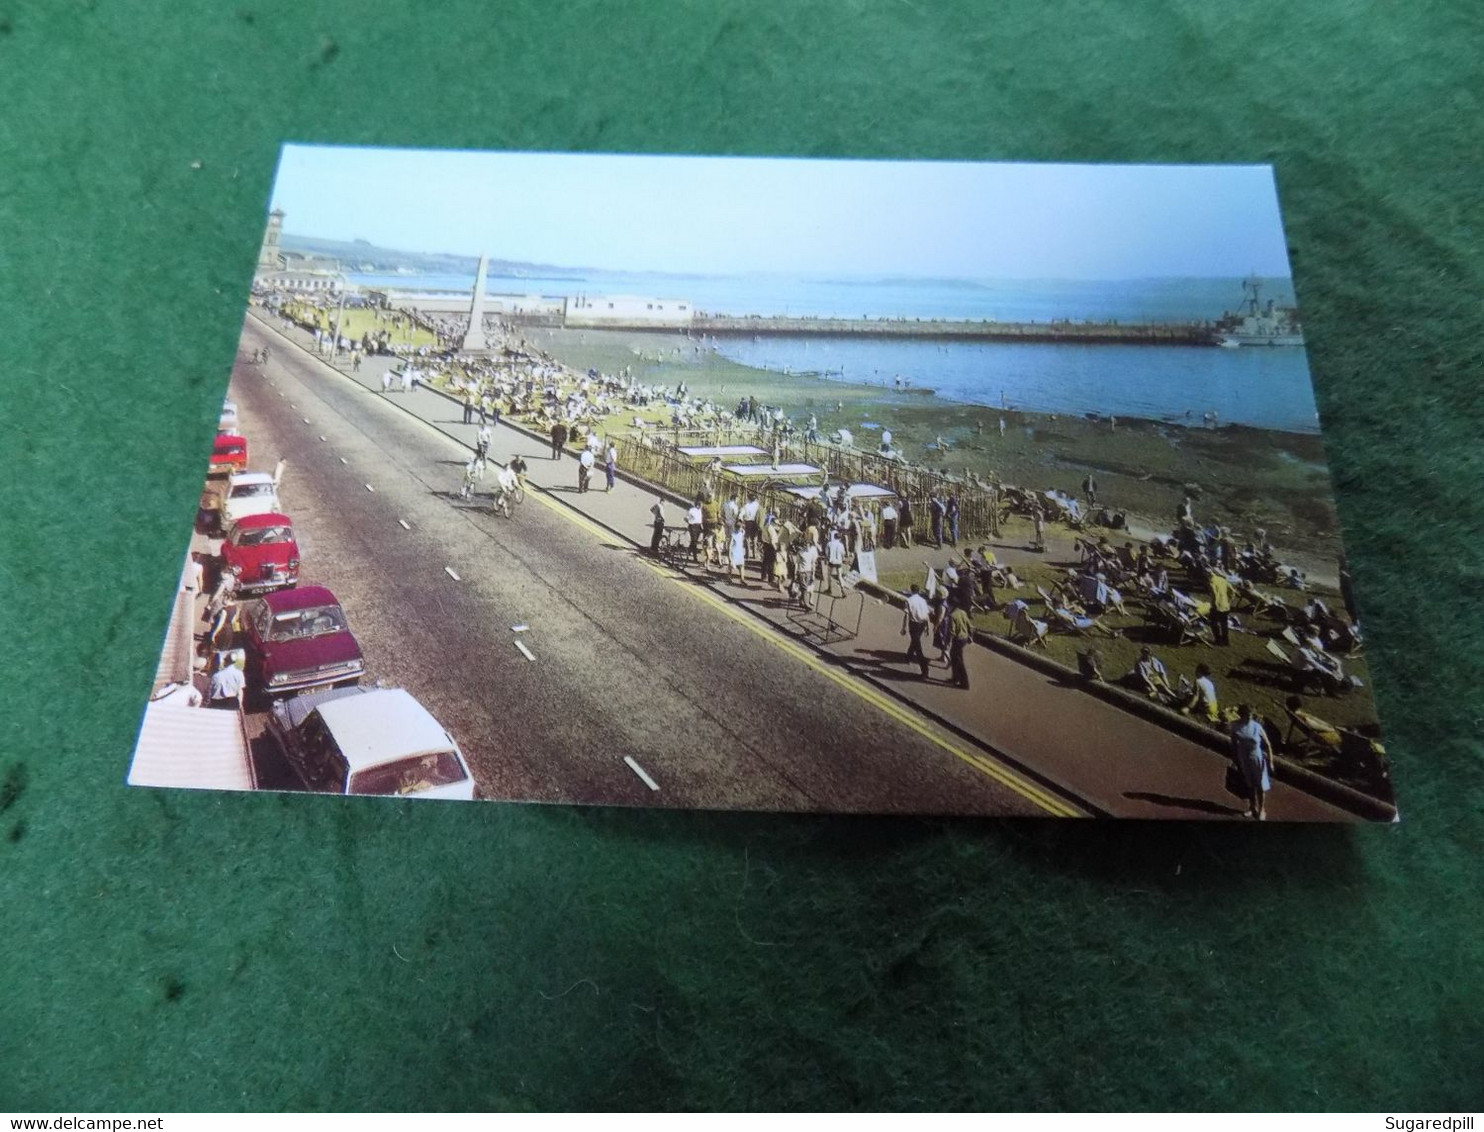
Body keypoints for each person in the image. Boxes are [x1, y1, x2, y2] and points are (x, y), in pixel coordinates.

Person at [1229, 703, 1273, 820]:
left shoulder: (1257, 727)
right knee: (1250, 786)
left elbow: (1268, 744)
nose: (1249, 717)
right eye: (1247, 715)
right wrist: (1235, 760)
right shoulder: (1235, 727)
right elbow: (1233, 744)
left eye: (1251, 715)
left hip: (1257, 759)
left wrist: (1271, 761)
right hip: (1244, 759)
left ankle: (1262, 809)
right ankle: (1252, 807)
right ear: (1241, 715)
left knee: (1260, 786)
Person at [901, 583, 932, 679]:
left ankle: (925, 670)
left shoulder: (909, 601)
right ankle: (908, 656)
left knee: (918, 647)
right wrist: (928, 627)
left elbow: (906, 615)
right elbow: (927, 615)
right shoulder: (923, 601)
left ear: (911, 591)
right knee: (915, 640)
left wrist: (903, 628)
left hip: (914, 624)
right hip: (922, 624)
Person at [948, 603, 973, 689]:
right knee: (955, 658)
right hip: (964, 638)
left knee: (958, 661)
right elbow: (969, 625)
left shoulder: (952, 616)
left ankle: (965, 683)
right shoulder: (963, 612)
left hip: (957, 639)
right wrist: (971, 636)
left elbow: (952, 631)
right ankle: (955, 678)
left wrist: (948, 642)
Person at [1208, 569, 1234, 645]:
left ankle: (1218, 639)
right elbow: (1232, 591)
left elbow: (1214, 594)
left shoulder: (1212, 582)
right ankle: (1226, 640)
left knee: (1213, 622)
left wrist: (1214, 605)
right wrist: (1229, 600)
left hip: (1217, 606)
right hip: (1226, 605)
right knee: (1224, 623)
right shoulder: (1223, 580)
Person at [825, 529, 847, 596]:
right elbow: (843, 553)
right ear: (839, 538)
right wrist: (842, 559)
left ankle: (829, 589)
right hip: (839, 562)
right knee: (839, 576)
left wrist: (827, 558)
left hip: (831, 561)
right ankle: (842, 589)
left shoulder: (829, 544)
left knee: (829, 575)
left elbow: (826, 553)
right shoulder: (841, 545)